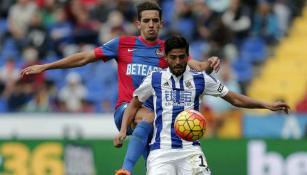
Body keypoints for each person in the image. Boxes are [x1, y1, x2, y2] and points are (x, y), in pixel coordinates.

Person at [20, 1, 221, 173]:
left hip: (156, 122)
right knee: (148, 117)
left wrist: (209, 63)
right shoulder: (122, 44)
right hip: (127, 110)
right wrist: (47, 66)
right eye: (146, 20)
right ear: (138, 23)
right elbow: (85, 57)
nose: (151, 24)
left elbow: (197, 66)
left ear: (161, 23)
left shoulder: (168, 51)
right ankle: (125, 169)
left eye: (155, 21)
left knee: (155, 162)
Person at [114, 35, 289, 175]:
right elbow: (133, 104)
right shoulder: (155, 79)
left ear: (187, 56)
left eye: (182, 57)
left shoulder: (201, 79)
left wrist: (266, 104)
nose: (177, 61)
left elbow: (234, 98)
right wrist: (123, 131)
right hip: (161, 152)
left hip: (191, 151)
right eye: (173, 57)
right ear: (166, 58)